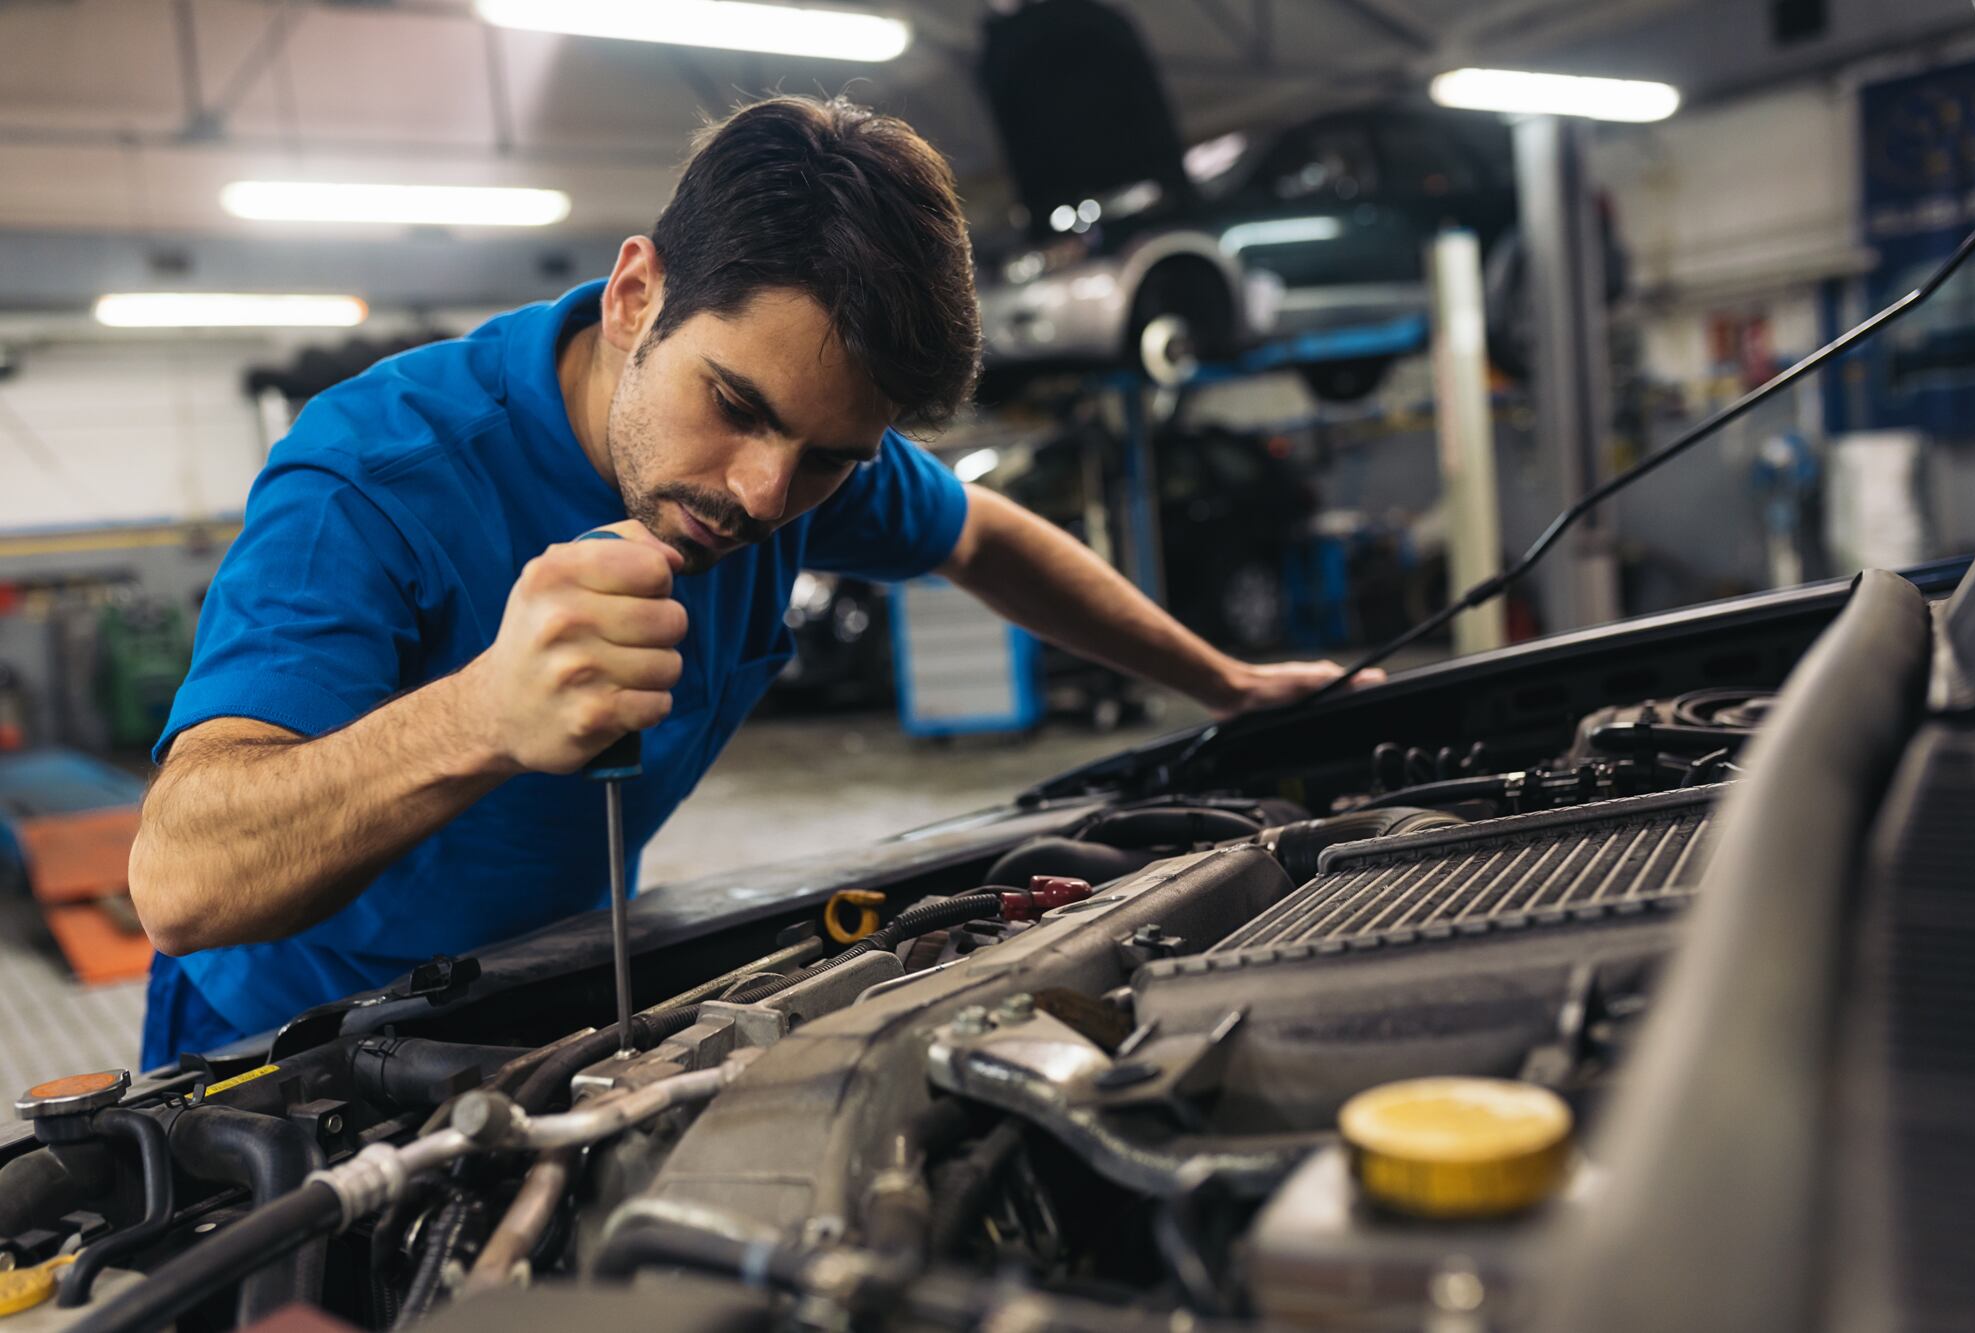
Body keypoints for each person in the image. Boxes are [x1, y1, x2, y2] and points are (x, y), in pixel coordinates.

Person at [128, 96, 1379, 1068]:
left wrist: (1221, 681)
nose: (765, 497)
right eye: (733, 405)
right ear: (635, 297)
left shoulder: (793, 465)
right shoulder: (374, 475)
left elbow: (984, 536)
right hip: (284, 1049)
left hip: (545, 991)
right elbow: (182, 880)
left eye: (830, 456)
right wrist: (482, 714)